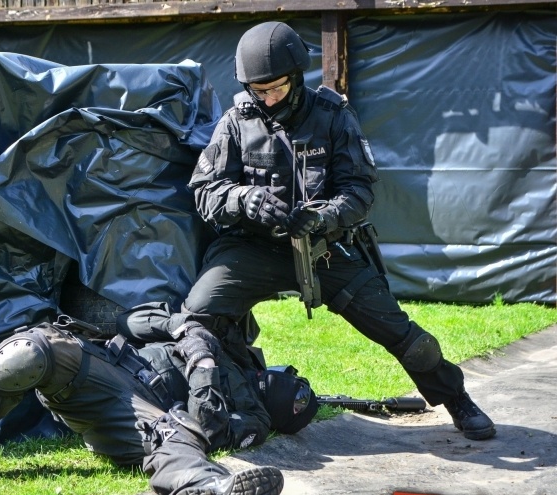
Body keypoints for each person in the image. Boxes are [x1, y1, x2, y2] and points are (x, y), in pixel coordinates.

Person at [182, 21, 495, 441]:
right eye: (259, 91)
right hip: (250, 248)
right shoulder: (236, 122)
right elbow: (205, 191)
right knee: (198, 315)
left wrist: (324, 217)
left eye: (275, 88)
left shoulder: (332, 115)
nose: (268, 98)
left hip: (322, 249)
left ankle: (456, 398)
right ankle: (226, 401)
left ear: (296, 77)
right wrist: (245, 200)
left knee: (400, 332)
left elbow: (360, 190)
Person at [0, 306, 318, 495]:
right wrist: (187, 333)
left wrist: (205, 378)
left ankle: (205, 489)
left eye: (289, 387)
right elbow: (133, 322)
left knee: (171, 432)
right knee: (26, 353)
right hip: (106, 365)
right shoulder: (223, 340)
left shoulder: (254, 417)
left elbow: (211, 429)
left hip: (138, 411)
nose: (281, 376)